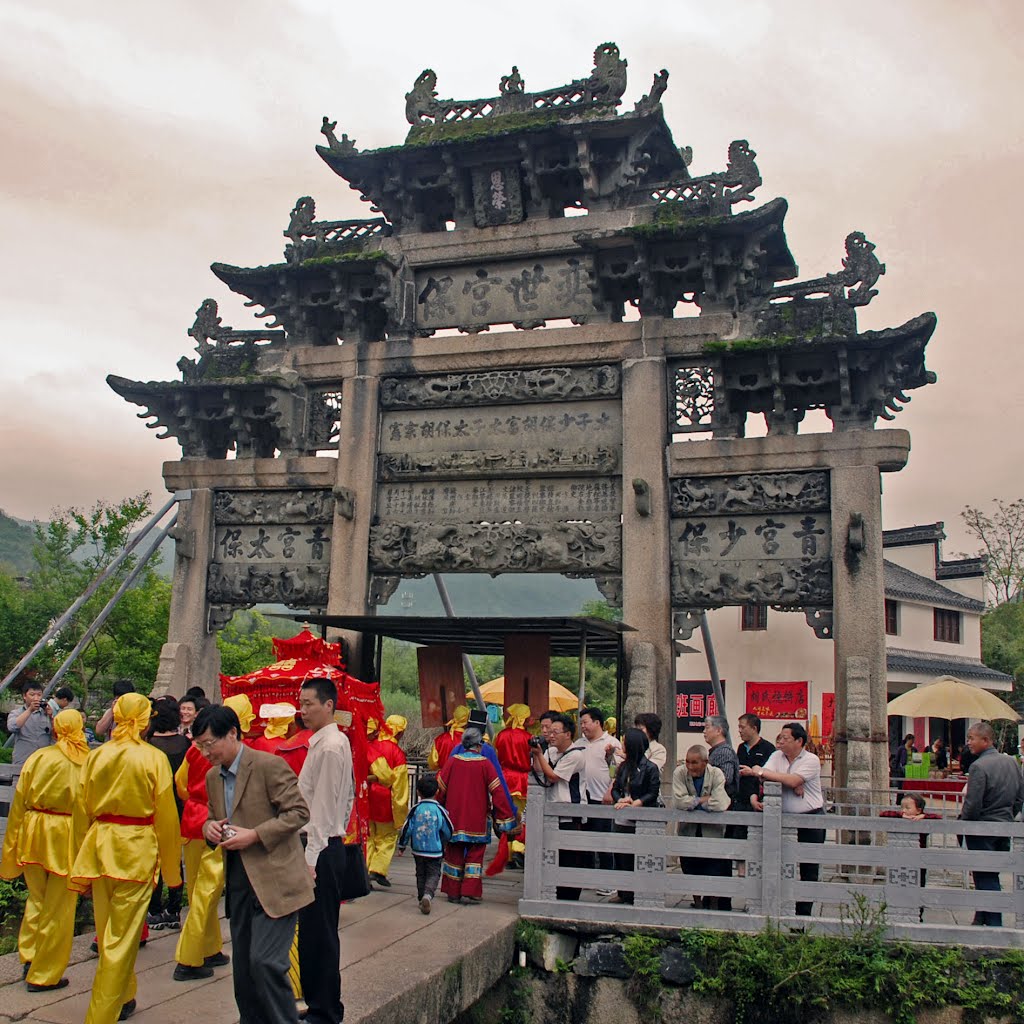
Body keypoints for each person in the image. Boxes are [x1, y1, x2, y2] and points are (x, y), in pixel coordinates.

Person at [197, 703, 314, 1024]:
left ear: (233, 733)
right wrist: (209, 828)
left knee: (266, 963)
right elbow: (212, 816)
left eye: (210, 744)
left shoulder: (268, 765)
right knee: (244, 973)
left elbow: (299, 813)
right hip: (239, 883)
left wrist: (255, 835)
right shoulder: (212, 777)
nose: (206, 752)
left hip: (276, 881)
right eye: (199, 746)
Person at [70, 692, 182, 1024]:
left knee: (108, 935)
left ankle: (123, 996)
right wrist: (173, 874)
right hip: (135, 851)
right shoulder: (153, 759)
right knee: (121, 939)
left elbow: (82, 808)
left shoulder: (96, 755)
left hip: (99, 846)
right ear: (147, 720)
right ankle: (101, 1013)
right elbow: (166, 819)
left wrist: (80, 856)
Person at [0, 708, 89, 990]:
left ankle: (30, 955)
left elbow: (19, 804)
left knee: (36, 899)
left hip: (33, 830)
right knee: (60, 907)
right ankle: (45, 973)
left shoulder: (38, 757)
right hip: (66, 834)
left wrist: (12, 846)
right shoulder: (85, 762)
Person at [297, 677, 354, 1024]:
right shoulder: (329, 742)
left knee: (320, 934)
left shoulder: (331, 746)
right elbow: (344, 801)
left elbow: (322, 806)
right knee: (316, 931)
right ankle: (319, 1002)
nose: (303, 710)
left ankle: (325, 1010)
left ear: (329, 705)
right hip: (326, 844)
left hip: (320, 849)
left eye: (309, 704)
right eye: (301, 704)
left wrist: (311, 857)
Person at [740, 721, 824, 917]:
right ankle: (776, 911)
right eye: (780, 737)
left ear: (799, 741)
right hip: (781, 820)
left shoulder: (810, 759)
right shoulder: (777, 756)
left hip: (810, 820)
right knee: (778, 865)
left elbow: (763, 772)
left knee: (808, 870)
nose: (780, 741)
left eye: (785, 738)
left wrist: (790, 781)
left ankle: (803, 917)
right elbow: (764, 777)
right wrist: (787, 780)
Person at [171, 726, 228, 981]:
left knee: (198, 890)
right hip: (215, 823)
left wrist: (194, 799)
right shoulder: (226, 752)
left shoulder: (193, 750)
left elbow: (180, 783)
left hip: (192, 819)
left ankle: (210, 947)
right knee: (208, 892)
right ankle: (189, 958)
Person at [436, 726, 517, 904]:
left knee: (453, 852)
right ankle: (470, 890)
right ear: (479, 745)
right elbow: (498, 793)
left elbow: (440, 788)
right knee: (475, 854)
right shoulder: (485, 764)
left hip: (454, 818)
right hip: (477, 819)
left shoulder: (452, 762)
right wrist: (506, 819)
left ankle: (453, 891)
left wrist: (438, 808)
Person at [958, 721, 1024, 926]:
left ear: (985, 740)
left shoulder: (978, 766)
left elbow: (973, 803)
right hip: (1004, 825)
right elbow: (1020, 797)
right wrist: (1007, 816)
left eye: (972, 738)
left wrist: (963, 824)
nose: (968, 742)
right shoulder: (1013, 762)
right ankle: (982, 917)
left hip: (983, 827)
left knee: (985, 875)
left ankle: (995, 923)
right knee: (990, 872)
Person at [529, 712, 587, 900]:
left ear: (568, 734)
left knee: (571, 857)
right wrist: (537, 754)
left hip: (570, 813)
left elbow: (553, 777)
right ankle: (553, 894)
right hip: (551, 811)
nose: (550, 735)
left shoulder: (576, 755)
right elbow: (539, 770)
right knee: (553, 856)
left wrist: (539, 755)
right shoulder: (551, 751)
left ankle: (570, 897)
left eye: (555, 732)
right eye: (549, 731)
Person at [146, 699, 189, 931]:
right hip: (178, 807)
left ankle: (154, 910)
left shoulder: (148, 745)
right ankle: (174, 910)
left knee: (154, 858)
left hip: (152, 807)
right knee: (174, 857)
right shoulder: (186, 744)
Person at [606, 727, 661, 904]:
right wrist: (620, 799)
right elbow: (615, 788)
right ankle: (623, 893)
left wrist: (634, 803)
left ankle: (641, 893)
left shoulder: (650, 768)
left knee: (640, 858)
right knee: (621, 857)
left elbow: (652, 792)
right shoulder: (623, 767)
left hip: (640, 818)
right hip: (622, 816)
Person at [674, 744, 731, 909]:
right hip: (688, 831)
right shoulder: (680, 773)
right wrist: (701, 800)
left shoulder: (716, 774)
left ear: (705, 762)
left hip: (712, 832)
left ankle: (713, 905)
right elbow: (678, 801)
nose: (690, 766)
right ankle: (697, 902)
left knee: (713, 869)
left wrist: (692, 802)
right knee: (690, 868)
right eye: (687, 762)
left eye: (694, 763)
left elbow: (721, 803)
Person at [397, 774, 454, 914]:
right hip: (435, 850)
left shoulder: (415, 809)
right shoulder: (440, 810)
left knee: (420, 873)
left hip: (418, 849)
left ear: (418, 792)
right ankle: (428, 895)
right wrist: (446, 841)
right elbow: (448, 828)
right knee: (434, 874)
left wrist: (402, 845)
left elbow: (406, 828)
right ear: (437, 792)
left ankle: (421, 897)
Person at [580, 706, 622, 891]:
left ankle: (607, 882)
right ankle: (589, 879)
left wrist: (610, 791)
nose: (583, 726)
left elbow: (619, 772)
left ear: (597, 723)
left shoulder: (612, 743)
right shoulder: (578, 743)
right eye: (581, 723)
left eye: (585, 722)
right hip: (583, 799)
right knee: (586, 841)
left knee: (604, 841)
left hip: (603, 799)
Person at [365, 714, 409, 889]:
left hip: (368, 797)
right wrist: (400, 810)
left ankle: (365, 869)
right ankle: (378, 869)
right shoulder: (397, 753)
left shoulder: (371, 745)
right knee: (388, 837)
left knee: (369, 836)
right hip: (385, 800)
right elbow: (400, 786)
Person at [494, 703, 532, 868]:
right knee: (523, 817)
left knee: (506, 817)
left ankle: (507, 854)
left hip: (505, 779)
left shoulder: (501, 735)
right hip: (523, 780)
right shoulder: (528, 737)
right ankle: (519, 848)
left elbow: (496, 755)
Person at [7, 681, 53, 768]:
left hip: (43, 763)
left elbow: (57, 734)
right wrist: (29, 710)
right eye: (32, 695)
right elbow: (12, 727)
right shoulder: (16, 713)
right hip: (23, 761)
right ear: (24, 696)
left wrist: (51, 717)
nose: (36, 698)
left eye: (39, 695)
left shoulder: (47, 713)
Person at [428, 705, 469, 771]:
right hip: (465, 779)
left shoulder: (440, 739)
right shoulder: (472, 741)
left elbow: (432, 764)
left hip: (443, 779)